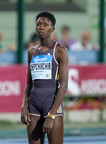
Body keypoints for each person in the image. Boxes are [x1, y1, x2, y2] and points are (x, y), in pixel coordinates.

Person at [21, 11, 68, 144]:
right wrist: (23, 106)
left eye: (45, 24)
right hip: (33, 107)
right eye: (38, 24)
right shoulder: (31, 52)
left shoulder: (60, 51)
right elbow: (29, 84)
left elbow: (63, 86)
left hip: (52, 106)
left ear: (52, 28)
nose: (41, 27)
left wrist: (51, 115)